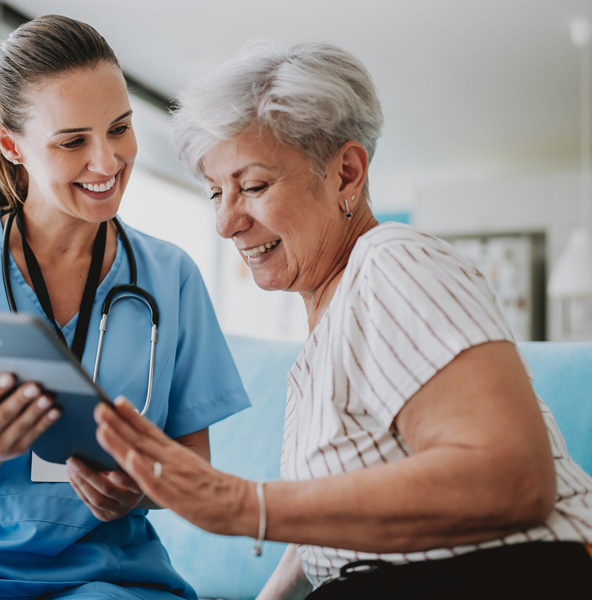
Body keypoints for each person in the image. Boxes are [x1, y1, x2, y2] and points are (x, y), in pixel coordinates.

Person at [93, 40, 592, 598]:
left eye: (253, 186)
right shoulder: (329, 329)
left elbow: (512, 479)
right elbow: (332, 536)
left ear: (346, 174)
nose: (226, 223)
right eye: (216, 193)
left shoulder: (392, 262)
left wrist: (243, 504)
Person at [0, 15, 249, 600]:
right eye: (72, 141)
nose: (107, 162)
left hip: (107, 569)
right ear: (11, 145)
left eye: (119, 128)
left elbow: (195, 469)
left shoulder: (173, 278)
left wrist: (138, 489)